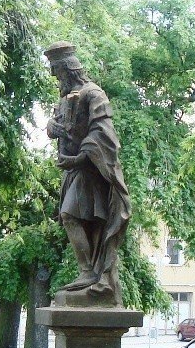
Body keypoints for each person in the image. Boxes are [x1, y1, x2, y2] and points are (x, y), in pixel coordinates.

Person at [44, 41, 132, 305]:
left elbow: (105, 135)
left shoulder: (93, 94)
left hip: (89, 170)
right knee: (78, 220)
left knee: (70, 215)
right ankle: (91, 274)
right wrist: (52, 127)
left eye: (57, 73)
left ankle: (90, 274)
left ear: (69, 70)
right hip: (73, 170)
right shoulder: (64, 99)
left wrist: (82, 157)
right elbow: (58, 126)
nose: (55, 78)